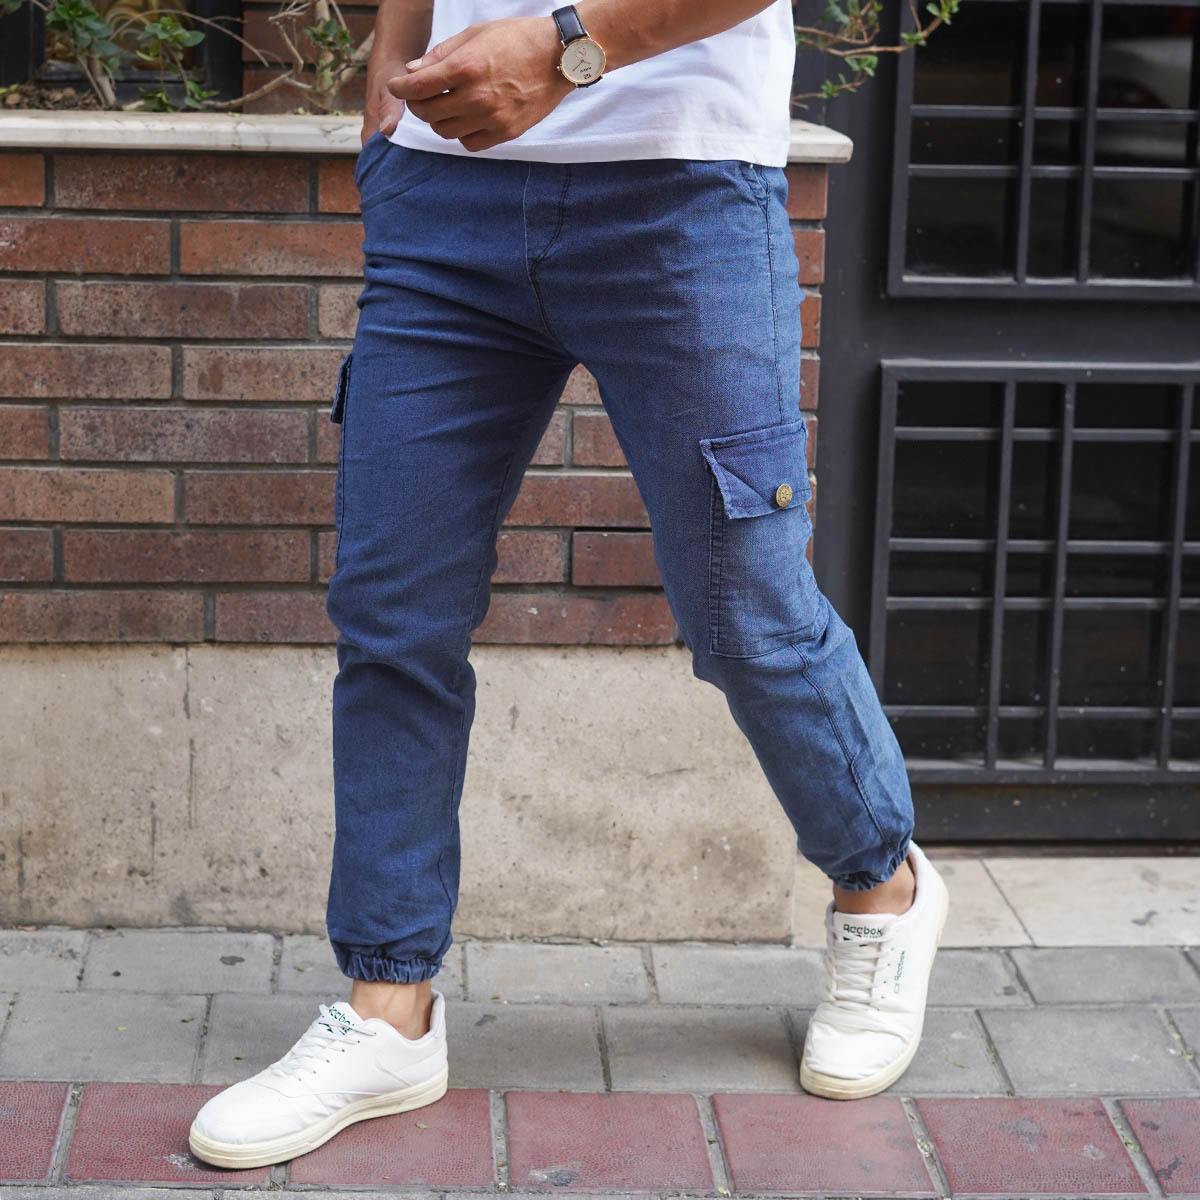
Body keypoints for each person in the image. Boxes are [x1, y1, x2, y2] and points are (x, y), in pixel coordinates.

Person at [188, 0, 950, 1168]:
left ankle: (881, 886)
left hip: (682, 192)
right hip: (444, 199)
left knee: (743, 613)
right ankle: (389, 1008)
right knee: (393, 619)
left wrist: (569, 48)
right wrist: (390, 74)